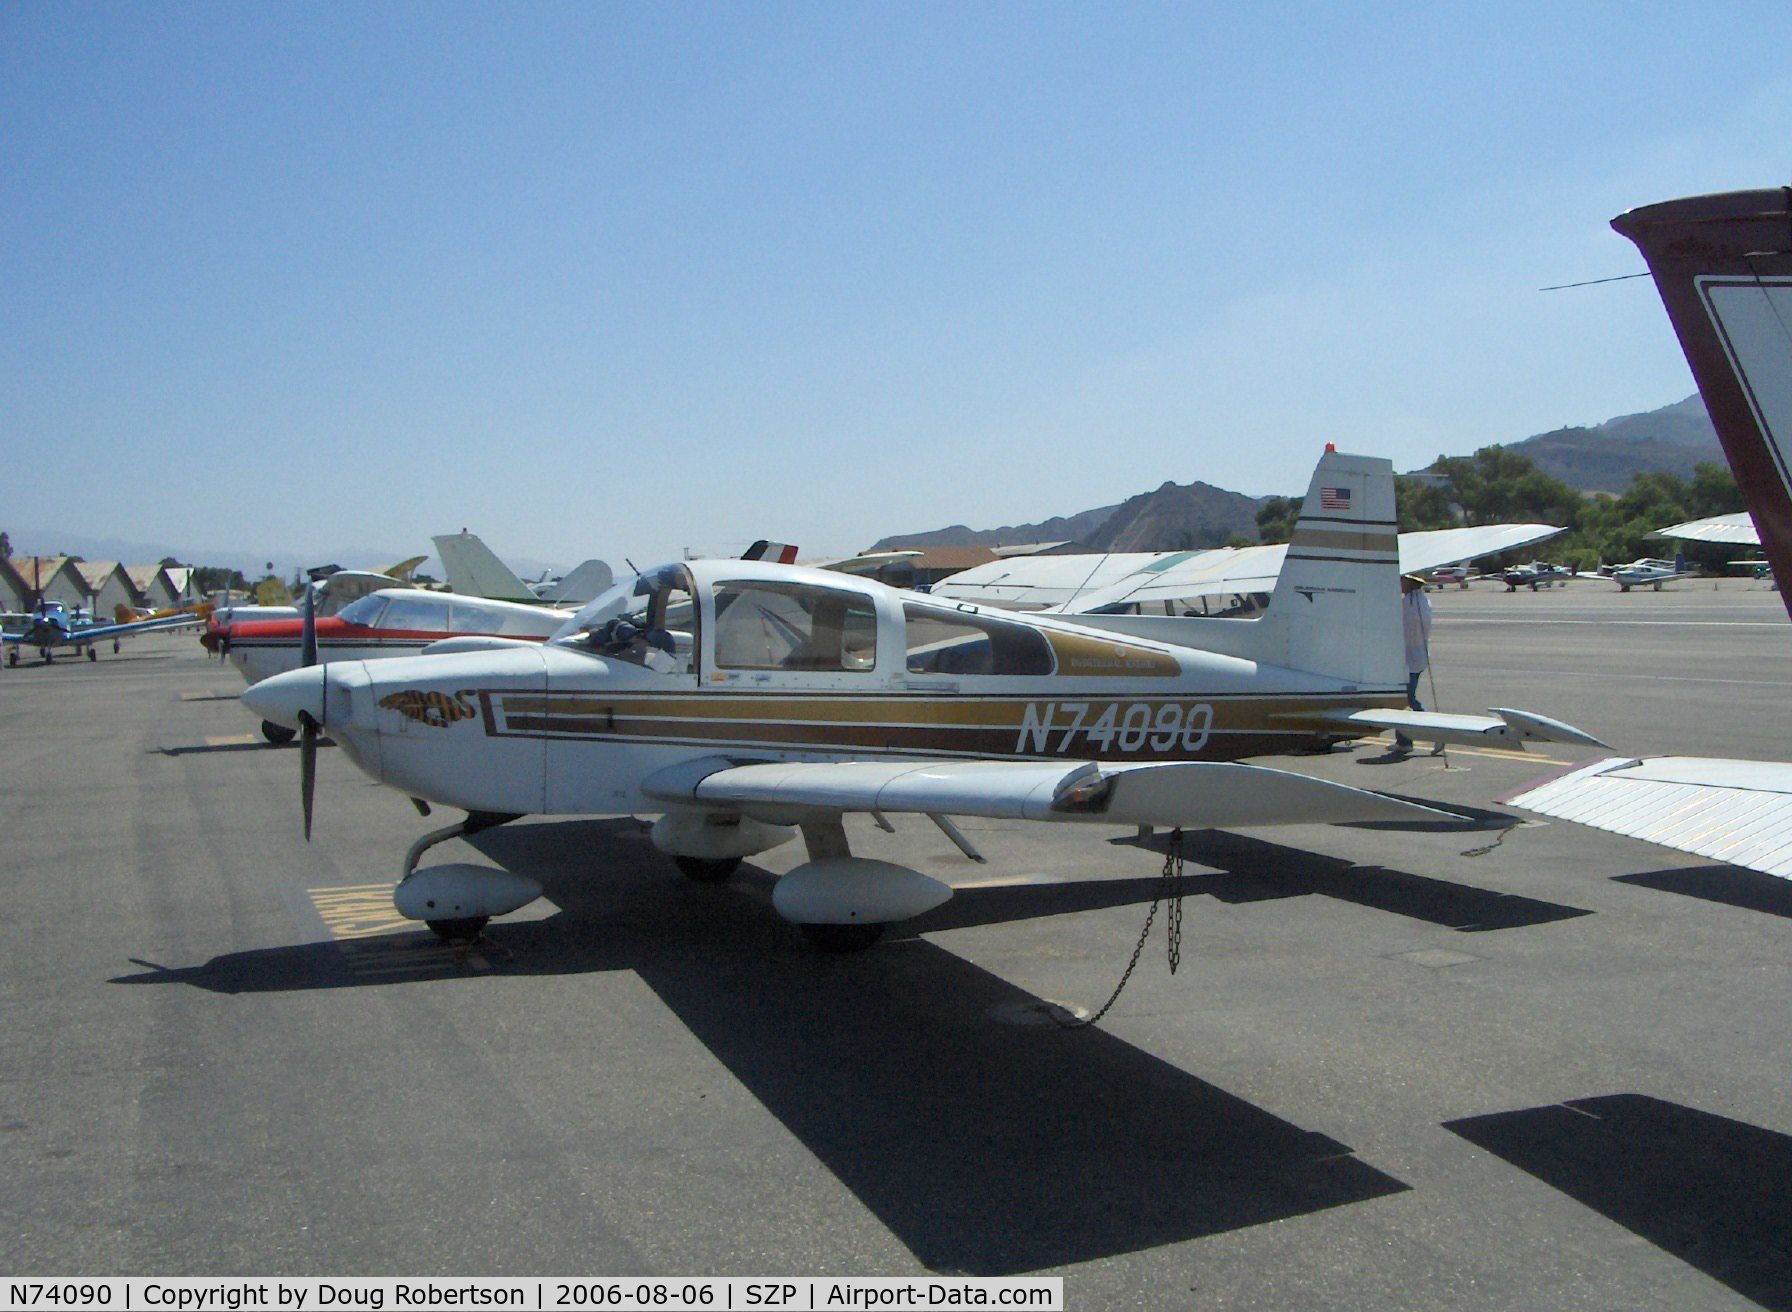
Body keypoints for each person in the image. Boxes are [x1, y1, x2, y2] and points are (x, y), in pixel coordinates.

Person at [1393, 573, 1432, 753]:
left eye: (1402, 580)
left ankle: (1434, 731)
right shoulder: (1423, 602)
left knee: (1406, 699)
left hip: (1409, 658)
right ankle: (1403, 739)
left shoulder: (1408, 604)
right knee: (1405, 699)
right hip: (1416, 657)